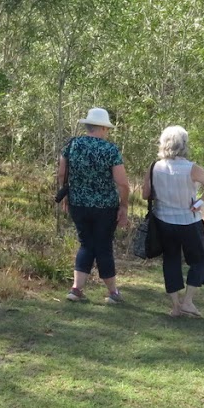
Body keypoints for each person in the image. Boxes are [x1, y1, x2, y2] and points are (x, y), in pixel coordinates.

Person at [142, 126, 204, 318]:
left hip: (163, 220)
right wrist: (200, 201)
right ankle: (188, 301)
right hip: (189, 220)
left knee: (170, 260)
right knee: (198, 260)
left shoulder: (154, 167)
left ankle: (176, 306)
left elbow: (145, 194)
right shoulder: (191, 168)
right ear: (184, 145)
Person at [56, 107, 129, 304]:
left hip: (78, 204)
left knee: (86, 244)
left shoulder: (72, 145)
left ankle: (76, 289)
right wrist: (124, 206)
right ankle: (113, 293)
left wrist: (66, 195)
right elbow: (122, 183)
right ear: (103, 128)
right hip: (105, 206)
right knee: (103, 246)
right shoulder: (110, 150)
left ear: (88, 126)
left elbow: (62, 174)